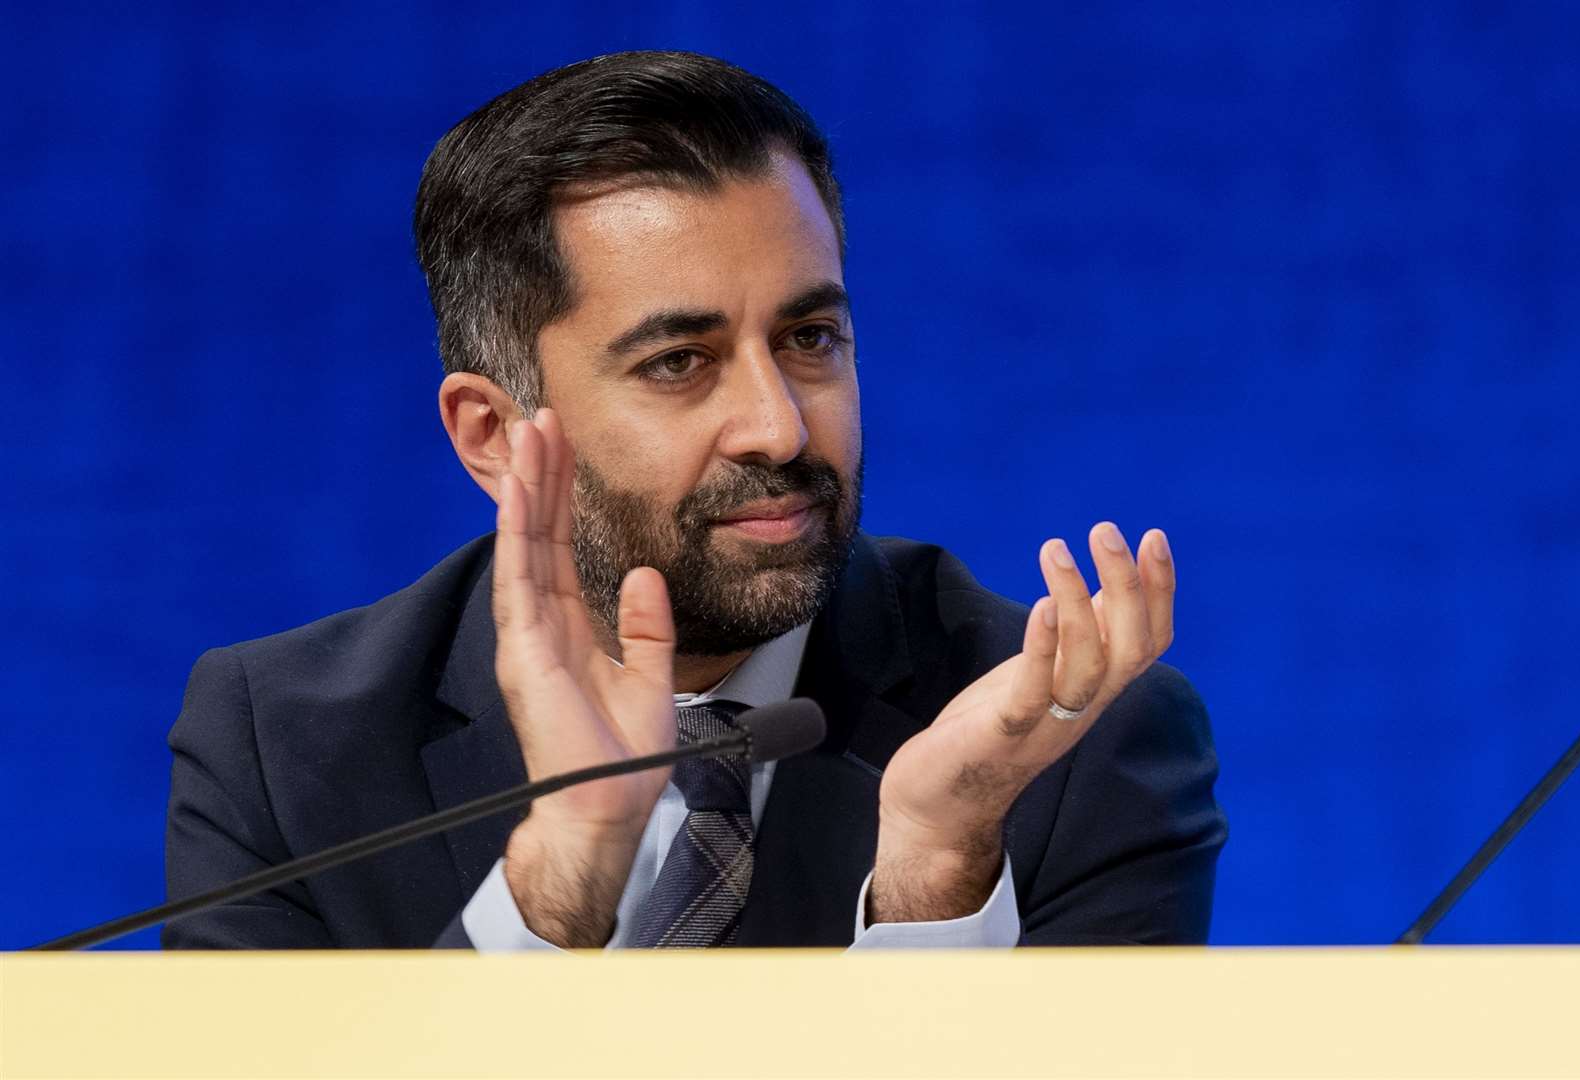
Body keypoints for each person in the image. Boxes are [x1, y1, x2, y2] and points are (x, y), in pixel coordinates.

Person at [163, 50, 1226, 950]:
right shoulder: (286, 746)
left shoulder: (1073, 738)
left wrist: (933, 883)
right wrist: (556, 883)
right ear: (491, 435)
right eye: (679, 361)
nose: (779, 427)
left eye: (809, 340)